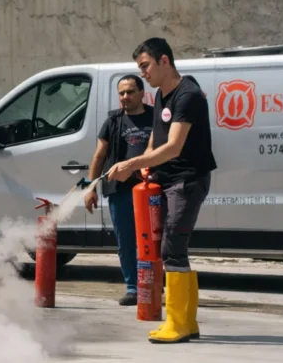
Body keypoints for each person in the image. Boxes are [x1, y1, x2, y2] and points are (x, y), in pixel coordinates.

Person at [106, 37, 217, 344]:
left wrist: (131, 164)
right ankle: (188, 323)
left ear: (164, 61)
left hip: (187, 181)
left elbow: (174, 146)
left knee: (172, 249)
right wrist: (146, 166)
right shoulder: (161, 95)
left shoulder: (188, 95)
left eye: (145, 66)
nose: (143, 73)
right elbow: (157, 139)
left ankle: (178, 323)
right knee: (173, 249)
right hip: (169, 180)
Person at [84, 75, 153, 306]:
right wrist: (90, 187)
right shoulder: (113, 122)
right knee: (126, 241)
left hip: (152, 190)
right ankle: (133, 288)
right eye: (122, 93)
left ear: (142, 93)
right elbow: (99, 155)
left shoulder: (156, 117)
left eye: (131, 92)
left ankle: (155, 285)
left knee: (154, 239)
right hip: (120, 191)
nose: (125, 97)